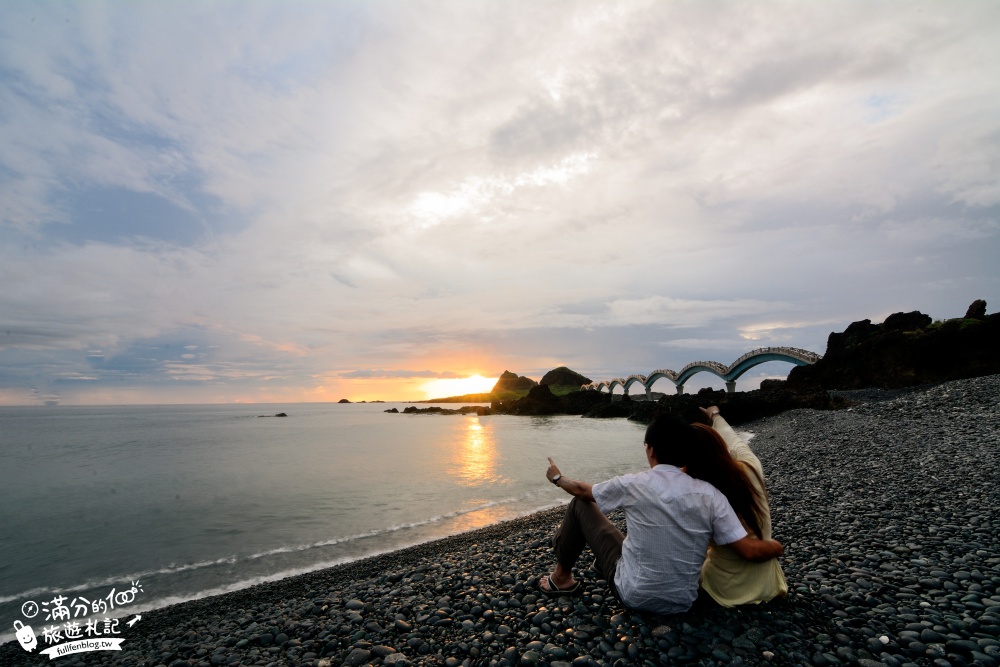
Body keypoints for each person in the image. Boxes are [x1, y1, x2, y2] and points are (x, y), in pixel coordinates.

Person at [541, 415, 784, 615]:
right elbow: (746, 549)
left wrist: (557, 477)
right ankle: (598, 566)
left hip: (633, 596)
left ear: (651, 450)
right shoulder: (711, 495)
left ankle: (561, 578)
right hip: (682, 603)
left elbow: (583, 491)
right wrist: (775, 547)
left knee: (579, 505)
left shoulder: (634, 484)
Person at [688, 406, 788, 607]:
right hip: (768, 586)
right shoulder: (751, 467)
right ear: (720, 447)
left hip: (723, 590)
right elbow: (736, 443)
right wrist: (715, 416)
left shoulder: (699, 493)